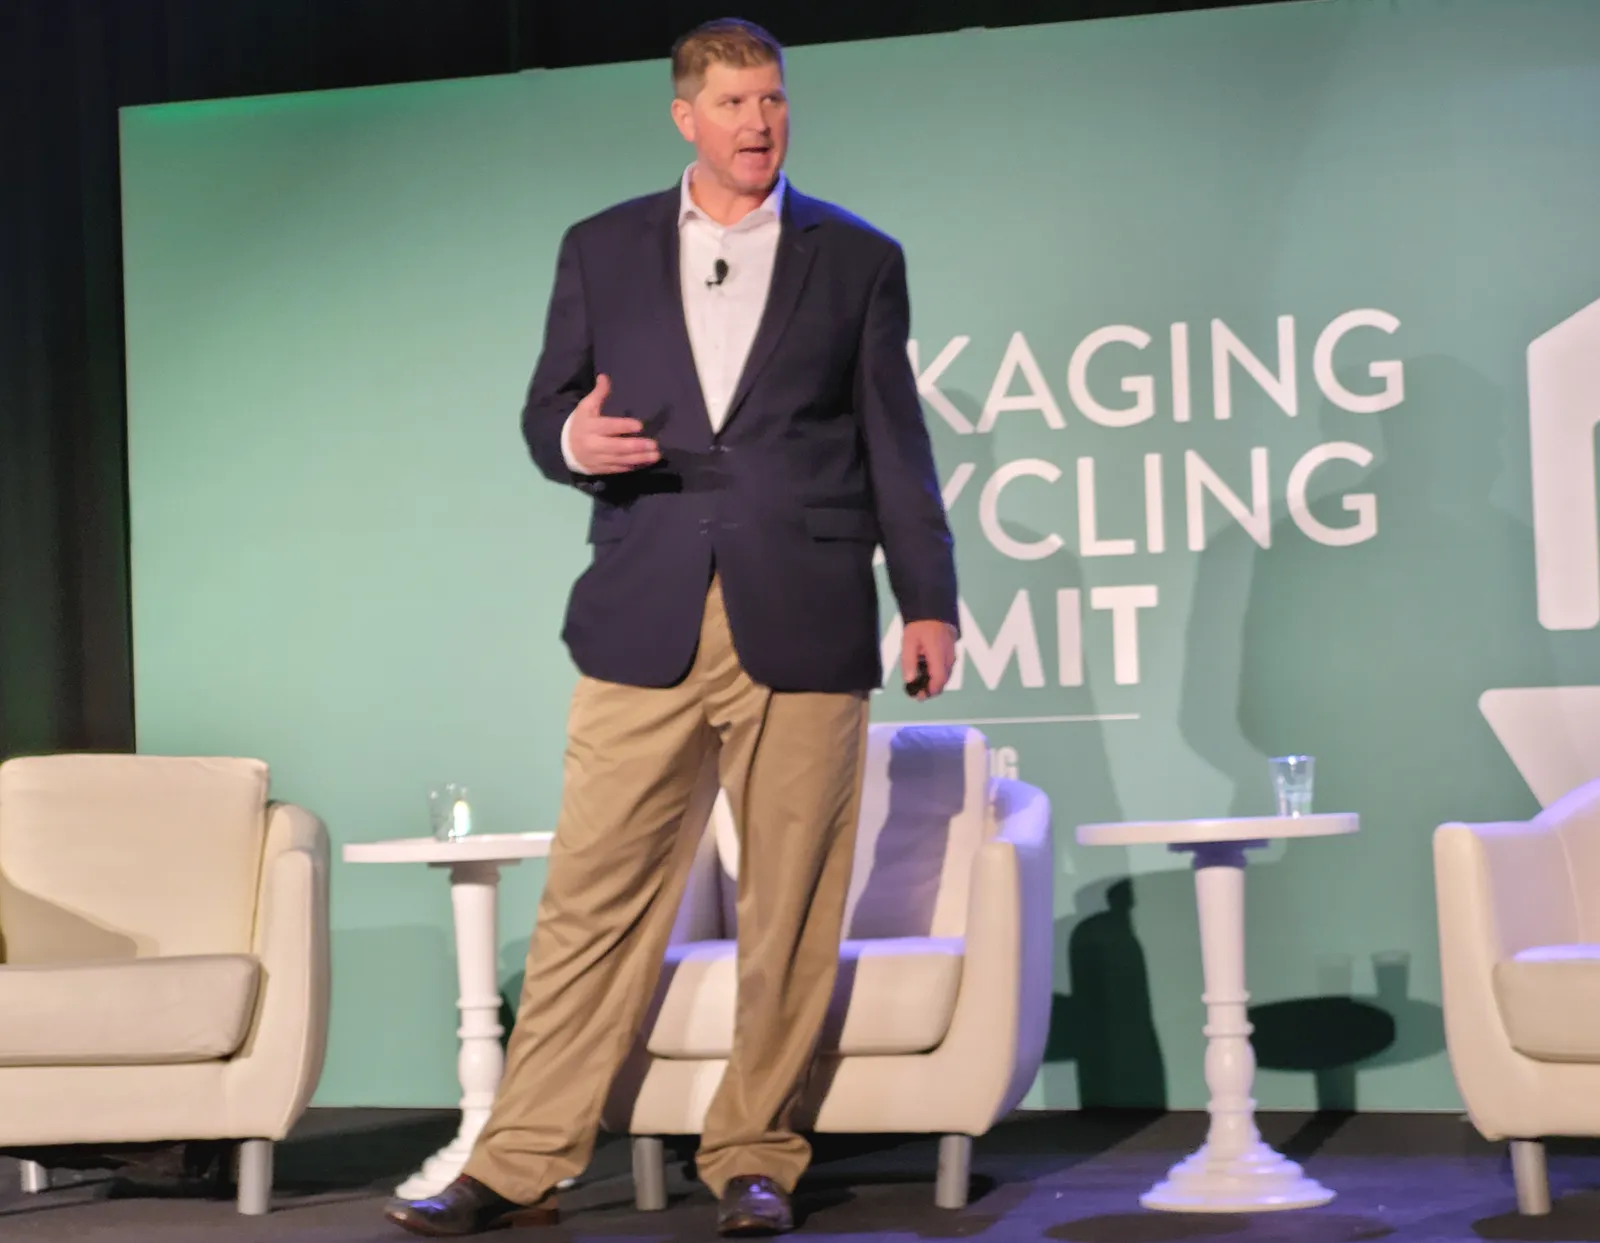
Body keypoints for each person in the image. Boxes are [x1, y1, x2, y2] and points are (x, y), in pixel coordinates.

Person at [386, 17, 959, 1239]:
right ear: (684, 116)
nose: (760, 121)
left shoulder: (854, 257)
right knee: (592, 896)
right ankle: (520, 1159)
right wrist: (570, 446)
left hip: (802, 610)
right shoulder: (603, 246)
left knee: (790, 901)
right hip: (643, 604)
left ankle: (756, 1156)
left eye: (775, 99)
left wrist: (927, 599)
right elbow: (550, 408)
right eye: (736, 102)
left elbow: (892, 444)